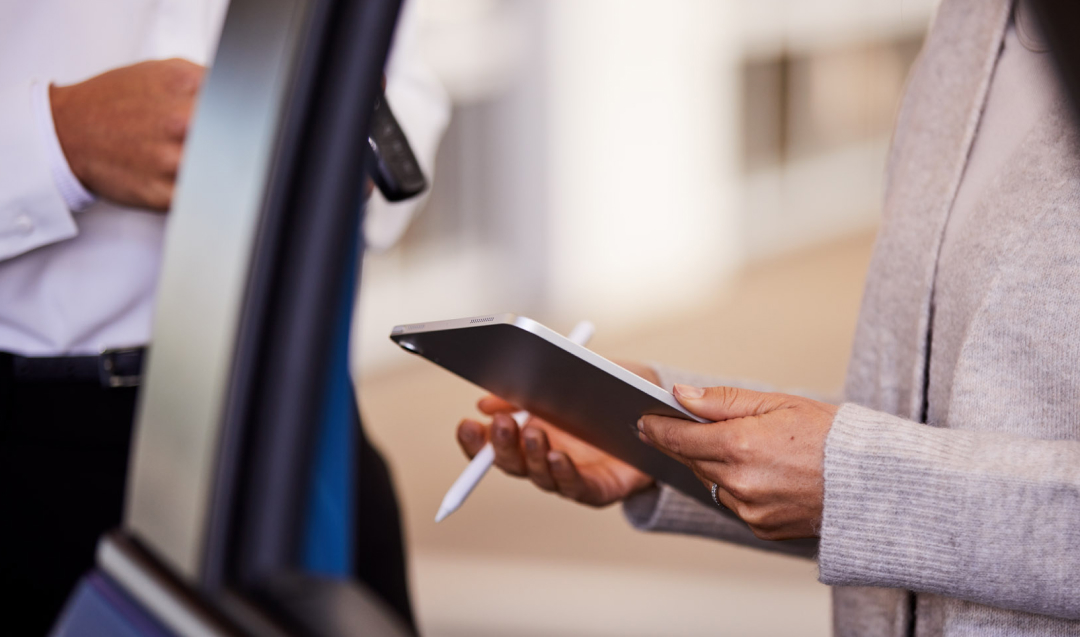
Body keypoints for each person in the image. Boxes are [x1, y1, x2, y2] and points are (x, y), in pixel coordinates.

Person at [455, 0, 1080, 634]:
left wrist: (859, 488)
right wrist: (658, 430)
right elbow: (922, 427)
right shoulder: (966, 29)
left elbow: (875, 472)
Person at [0, 0, 448, 633]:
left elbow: (410, 76)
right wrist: (56, 138)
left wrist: (341, 148)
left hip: (298, 427)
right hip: (35, 450)